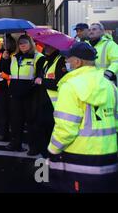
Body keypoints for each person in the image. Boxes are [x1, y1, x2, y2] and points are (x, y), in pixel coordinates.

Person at [47, 42, 117, 193]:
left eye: (68, 59)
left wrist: (52, 150)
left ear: (77, 62)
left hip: (78, 158)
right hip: (109, 156)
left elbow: (66, 129)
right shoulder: (110, 85)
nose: (66, 62)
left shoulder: (70, 86)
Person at [7, 34, 45, 154]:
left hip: (31, 94)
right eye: (20, 43)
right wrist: (3, 59)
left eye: (25, 43)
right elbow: (7, 71)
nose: (22, 45)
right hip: (15, 94)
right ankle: (15, 143)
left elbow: (41, 73)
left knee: (31, 122)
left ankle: (33, 148)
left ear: (31, 44)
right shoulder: (14, 56)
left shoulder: (38, 57)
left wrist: (38, 79)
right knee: (16, 121)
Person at [34, 44, 68, 156]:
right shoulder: (46, 60)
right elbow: (41, 75)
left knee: (52, 129)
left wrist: (42, 81)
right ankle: (46, 152)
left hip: (53, 103)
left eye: (49, 47)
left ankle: (52, 153)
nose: (46, 48)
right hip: (43, 100)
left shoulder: (61, 60)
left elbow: (60, 82)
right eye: (45, 47)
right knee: (43, 128)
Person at [0, 37, 16, 142]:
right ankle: (2, 132)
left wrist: (6, 60)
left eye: (7, 42)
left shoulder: (14, 56)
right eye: (4, 42)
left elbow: (12, 73)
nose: (4, 44)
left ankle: (12, 133)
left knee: (12, 112)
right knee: (2, 111)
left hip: (10, 88)